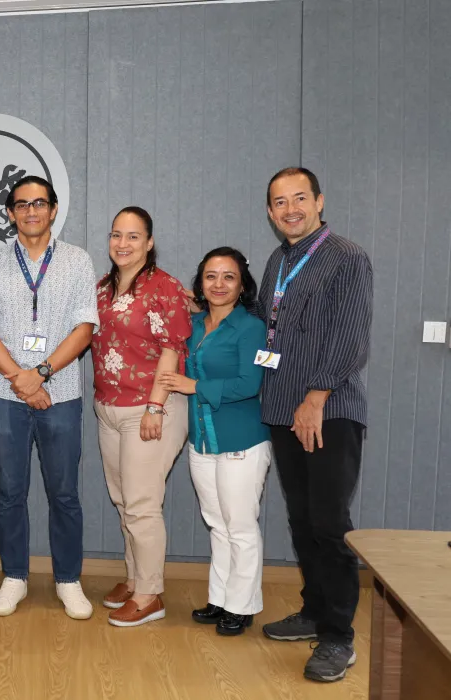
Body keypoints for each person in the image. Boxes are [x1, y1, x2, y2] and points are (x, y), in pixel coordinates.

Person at [255, 167, 372, 683]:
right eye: (279, 202)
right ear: (270, 212)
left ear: (320, 201)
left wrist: (316, 396)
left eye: (299, 198)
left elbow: (351, 338)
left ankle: (339, 637)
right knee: (302, 520)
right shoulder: (278, 260)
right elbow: (267, 322)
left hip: (328, 410)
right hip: (283, 408)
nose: (290, 209)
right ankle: (314, 610)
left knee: (329, 523)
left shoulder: (346, 257)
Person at [0, 176, 98, 619]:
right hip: (4, 391)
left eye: (39, 203)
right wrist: (19, 378)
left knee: (64, 492)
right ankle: (14, 577)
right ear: (9, 213)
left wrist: (40, 374)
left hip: (61, 391)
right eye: (21, 205)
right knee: (10, 491)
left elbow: (84, 328)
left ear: (54, 209)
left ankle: (68, 580)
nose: (30, 211)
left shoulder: (78, 261)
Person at [157, 247, 270, 637]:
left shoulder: (252, 327)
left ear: (242, 285)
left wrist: (194, 386)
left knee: (239, 525)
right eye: (211, 276)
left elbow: (250, 384)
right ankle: (221, 599)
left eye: (228, 277)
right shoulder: (194, 323)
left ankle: (243, 606)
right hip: (202, 440)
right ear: (200, 283)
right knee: (217, 525)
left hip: (242, 439)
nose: (218, 285)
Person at [90, 206, 192, 627]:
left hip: (151, 408)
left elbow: (173, 345)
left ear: (149, 243)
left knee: (143, 504)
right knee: (123, 500)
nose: (123, 243)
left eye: (133, 236)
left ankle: (151, 594)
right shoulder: (102, 287)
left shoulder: (164, 286)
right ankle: (135, 580)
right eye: (117, 235)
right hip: (109, 406)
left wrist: (155, 405)